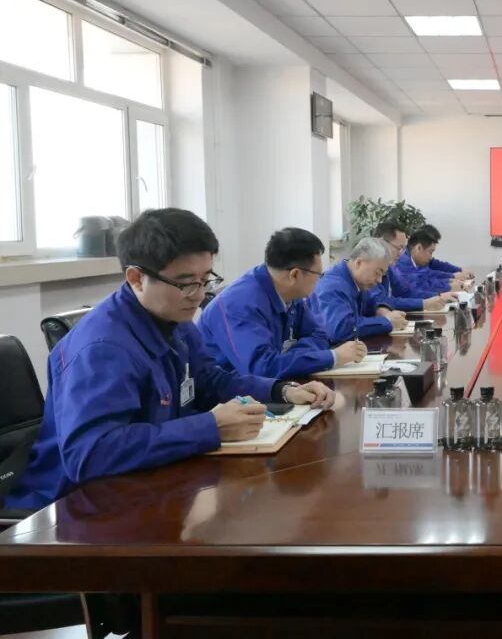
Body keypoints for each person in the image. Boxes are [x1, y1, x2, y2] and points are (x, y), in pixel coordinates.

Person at [4, 209, 335, 510]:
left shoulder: (175, 320)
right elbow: (90, 454)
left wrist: (282, 390)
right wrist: (210, 427)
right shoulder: (102, 348)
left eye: (206, 279)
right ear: (136, 279)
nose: (199, 294)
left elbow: (210, 381)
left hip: (149, 483)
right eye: (186, 283)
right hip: (75, 507)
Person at [199, 228, 367, 380]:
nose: (320, 280)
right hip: (225, 397)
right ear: (294, 275)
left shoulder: (290, 292)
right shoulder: (240, 304)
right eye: (318, 274)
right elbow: (262, 369)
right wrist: (333, 357)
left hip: (270, 387)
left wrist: (292, 359)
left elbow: (319, 335)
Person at [310, 237, 408, 343]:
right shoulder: (332, 286)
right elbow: (340, 329)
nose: (379, 280)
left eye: (382, 274)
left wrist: (381, 310)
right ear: (359, 263)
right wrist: (387, 322)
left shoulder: (356, 281)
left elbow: (371, 303)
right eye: (378, 272)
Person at [370, 221, 454, 313]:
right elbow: (381, 301)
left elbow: (405, 292)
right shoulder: (370, 269)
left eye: (403, 249)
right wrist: (424, 303)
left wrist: (439, 296)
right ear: (381, 243)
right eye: (399, 248)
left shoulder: (389, 268)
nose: (400, 253)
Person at [394, 229, 467, 294]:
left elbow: (427, 277)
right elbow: (418, 289)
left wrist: (449, 280)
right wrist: (448, 286)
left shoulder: (414, 260)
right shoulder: (403, 263)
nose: (431, 257)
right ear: (419, 248)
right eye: (430, 252)